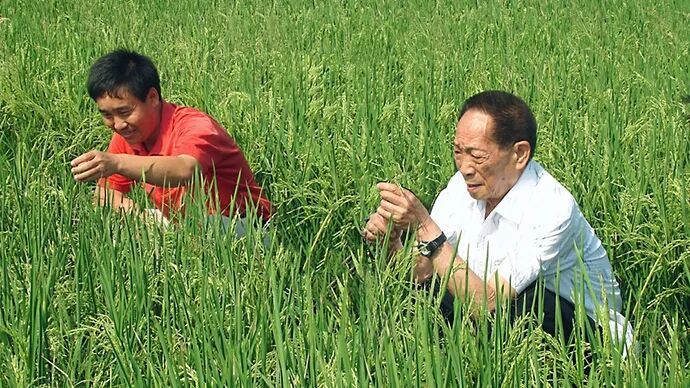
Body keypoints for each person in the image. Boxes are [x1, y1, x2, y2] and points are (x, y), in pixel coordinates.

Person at [362, 90, 632, 352]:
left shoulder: (552, 208)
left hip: (583, 333)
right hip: (492, 312)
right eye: (458, 152)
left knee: (527, 304)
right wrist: (391, 241)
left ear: (519, 154)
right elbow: (422, 273)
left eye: (477, 155)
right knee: (428, 293)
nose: (464, 167)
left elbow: (487, 303)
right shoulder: (461, 187)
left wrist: (424, 226)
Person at [70, 49, 271, 231]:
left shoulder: (195, 126)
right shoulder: (128, 134)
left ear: (152, 97)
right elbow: (104, 195)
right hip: (184, 225)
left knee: (206, 228)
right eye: (107, 115)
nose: (118, 124)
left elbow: (185, 169)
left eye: (125, 111)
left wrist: (117, 162)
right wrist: (142, 220)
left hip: (241, 225)